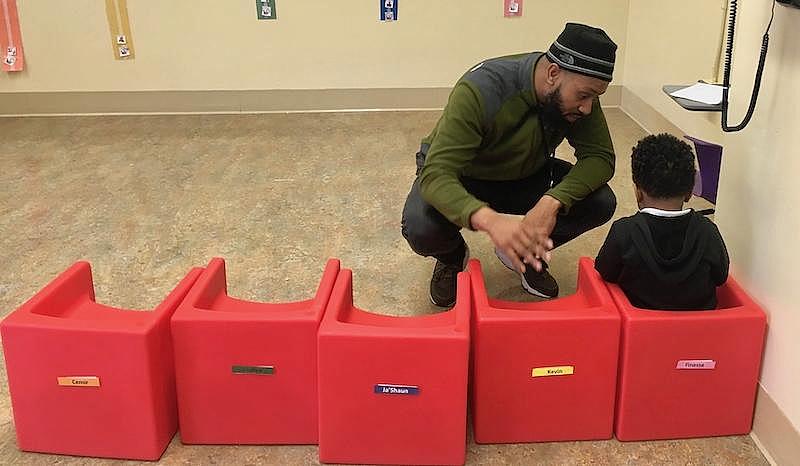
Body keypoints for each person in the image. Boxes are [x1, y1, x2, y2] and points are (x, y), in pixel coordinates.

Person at [401, 23, 618, 307]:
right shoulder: (481, 90)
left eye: (595, 97)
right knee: (420, 227)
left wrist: (552, 201)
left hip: (527, 174)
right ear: (553, 73)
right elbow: (436, 174)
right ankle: (451, 257)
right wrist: (491, 221)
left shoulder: (577, 89)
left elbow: (600, 157)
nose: (588, 108)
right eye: (584, 95)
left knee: (600, 200)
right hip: (466, 177)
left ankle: (524, 252)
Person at [595, 133, 730, 310]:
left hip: (638, 328)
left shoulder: (623, 231)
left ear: (638, 191)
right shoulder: (708, 231)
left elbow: (606, 272)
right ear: (690, 192)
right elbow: (721, 277)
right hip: (698, 331)